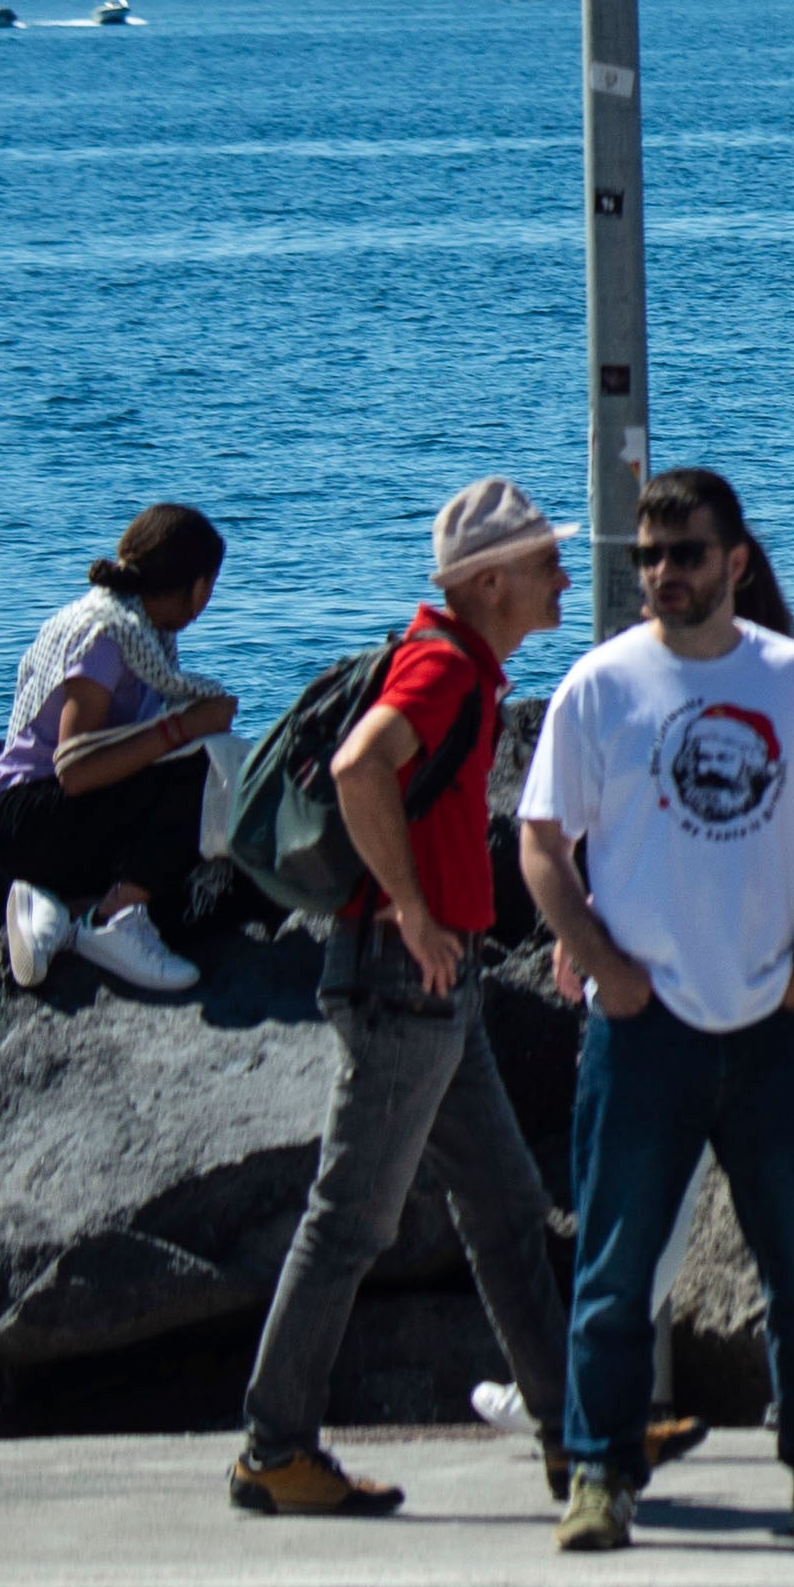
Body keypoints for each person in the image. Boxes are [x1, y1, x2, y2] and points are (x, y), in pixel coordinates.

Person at [519, 468, 794, 1554]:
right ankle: (599, 1474)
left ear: (735, 559)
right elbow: (541, 842)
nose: (664, 576)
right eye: (647, 557)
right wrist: (603, 962)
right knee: (614, 1268)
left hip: (773, 1030)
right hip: (644, 1036)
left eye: (685, 553)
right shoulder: (599, 687)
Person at [224, 481, 574, 1517]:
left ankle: (576, 1429)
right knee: (349, 1222)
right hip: (402, 976)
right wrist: (415, 910)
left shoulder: (462, 663)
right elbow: (358, 765)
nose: (564, 576)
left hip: (439, 985)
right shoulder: (445, 664)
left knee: (508, 1210)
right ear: (490, 579)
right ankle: (274, 1447)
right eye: (548, 560)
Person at [0, 504, 232, 996]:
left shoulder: (145, 634)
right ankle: (113, 918)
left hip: (59, 823)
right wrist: (183, 729)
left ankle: (59, 911)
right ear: (200, 587)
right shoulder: (105, 634)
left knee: (219, 881)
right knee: (207, 770)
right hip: (31, 816)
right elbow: (74, 769)